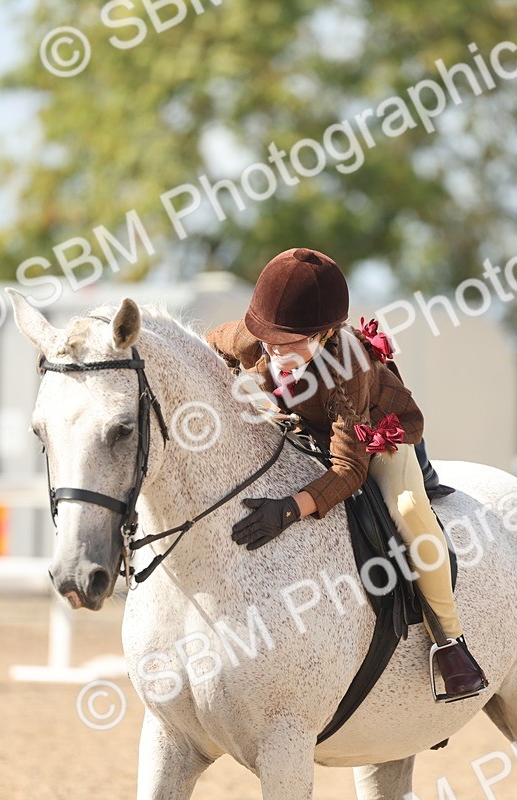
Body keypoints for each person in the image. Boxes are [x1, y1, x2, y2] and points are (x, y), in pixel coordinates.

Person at [205, 247, 488, 702]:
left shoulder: (348, 364)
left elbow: (350, 469)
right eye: (270, 339)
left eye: (290, 343)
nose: (275, 351)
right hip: (307, 426)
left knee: (408, 509)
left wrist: (290, 509)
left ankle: (451, 644)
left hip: (374, 434)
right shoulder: (252, 339)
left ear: (326, 334)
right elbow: (202, 348)